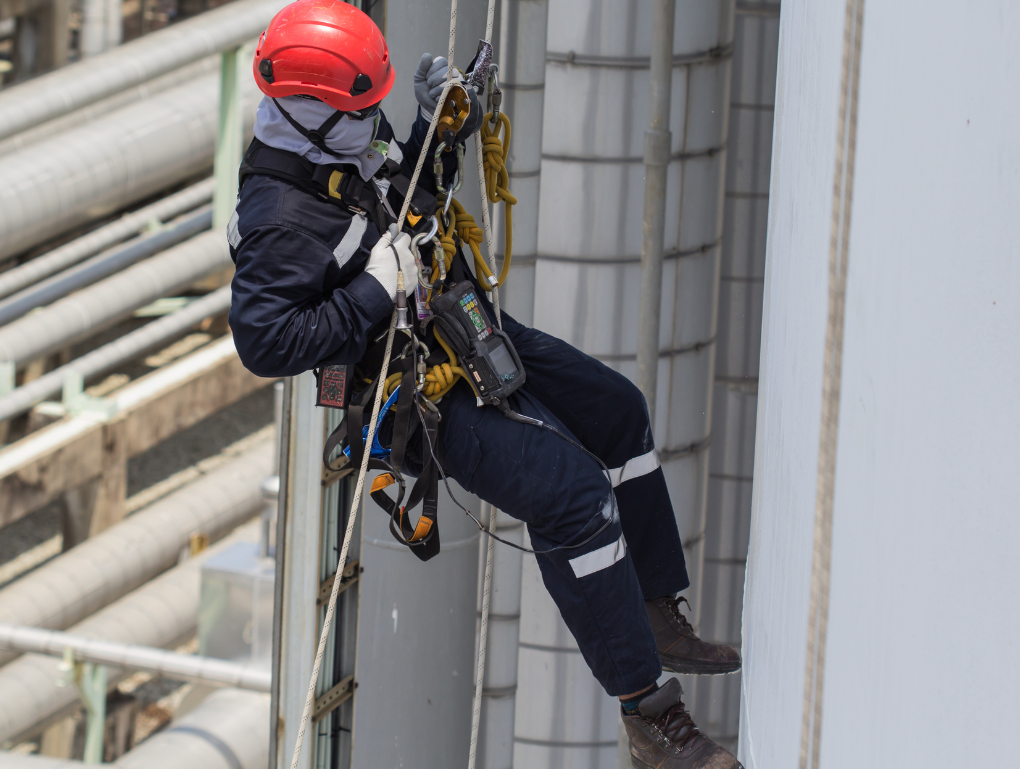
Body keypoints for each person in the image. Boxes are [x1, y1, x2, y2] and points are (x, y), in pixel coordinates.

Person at [227, 3, 742, 767]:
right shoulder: (279, 219)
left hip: (452, 321)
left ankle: (655, 605)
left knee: (618, 411)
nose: (371, 124)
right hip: (411, 392)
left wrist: (436, 131)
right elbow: (267, 342)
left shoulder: (336, 139)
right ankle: (651, 716)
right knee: (574, 495)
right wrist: (373, 288)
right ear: (309, 111)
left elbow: (406, 194)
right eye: (360, 113)